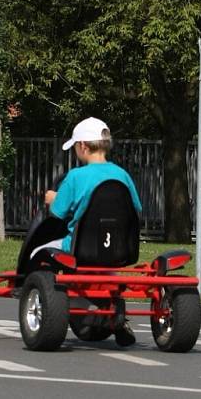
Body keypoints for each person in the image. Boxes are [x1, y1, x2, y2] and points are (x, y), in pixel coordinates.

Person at [41, 116, 143, 346]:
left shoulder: (76, 176)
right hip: (117, 250)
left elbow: (58, 212)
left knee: (42, 254)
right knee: (103, 269)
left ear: (83, 146)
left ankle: (83, 307)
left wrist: (52, 198)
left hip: (78, 248)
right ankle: (114, 309)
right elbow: (136, 208)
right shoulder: (122, 175)